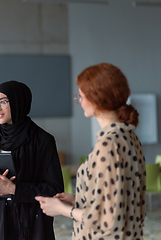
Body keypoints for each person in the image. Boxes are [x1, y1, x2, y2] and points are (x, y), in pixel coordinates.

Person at [36, 63, 146, 240]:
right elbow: (120, 200)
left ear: (97, 98)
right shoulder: (129, 136)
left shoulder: (108, 145)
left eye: (81, 96)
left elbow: (107, 221)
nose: (79, 101)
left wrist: (62, 209)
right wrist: (78, 199)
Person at [0, 80, 64, 240]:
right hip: (0, 220)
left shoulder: (42, 140)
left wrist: (14, 190)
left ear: (18, 101)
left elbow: (54, 188)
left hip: (33, 221)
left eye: (3, 102)